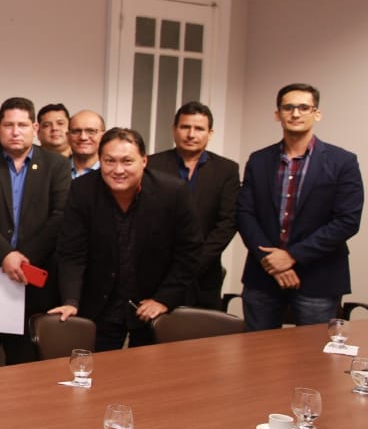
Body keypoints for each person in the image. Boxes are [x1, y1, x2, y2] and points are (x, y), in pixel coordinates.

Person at [49, 128, 201, 350]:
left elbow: (190, 251)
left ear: (144, 161)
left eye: (127, 161)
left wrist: (164, 299)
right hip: (101, 303)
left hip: (153, 303)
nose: (118, 170)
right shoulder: (83, 190)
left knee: (151, 377)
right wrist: (71, 301)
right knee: (98, 375)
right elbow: (71, 252)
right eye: (109, 161)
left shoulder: (173, 192)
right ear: (100, 161)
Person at [236, 83, 363, 330]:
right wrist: (271, 260)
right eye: (289, 107)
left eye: (304, 107)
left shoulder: (343, 161)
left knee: (312, 359)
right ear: (277, 114)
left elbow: (347, 221)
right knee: (256, 356)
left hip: (319, 277)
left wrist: (292, 256)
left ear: (317, 114)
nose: (295, 114)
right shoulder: (259, 160)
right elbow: (244, 213)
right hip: (263, 274)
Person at [0, 97, 70, 364]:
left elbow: (60, 216)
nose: (15, 131)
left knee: (27, 360)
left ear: (34, 127)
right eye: (9, 125)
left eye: (22, 125)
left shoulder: (55, 164)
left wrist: (24, 258)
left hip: (35, 275)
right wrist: (6, 255)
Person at [145, 101, 240, 310]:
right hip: (158, 271)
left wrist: (192, 264)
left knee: (202, 337)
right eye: (185, 127)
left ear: (210, 133)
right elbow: (144, 217)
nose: (191, 134)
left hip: (204, 274)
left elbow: (228, 222)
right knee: (152, 336)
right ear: (174, 129)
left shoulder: (227, 170)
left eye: (199, 128)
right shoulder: (151, 165)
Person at [67, 109, 105, 179]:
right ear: (68, 136)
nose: (83, 137)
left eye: (91, 131)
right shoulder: (54, 170)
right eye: (76, 131)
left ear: (103, 136)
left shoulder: (110, 172)